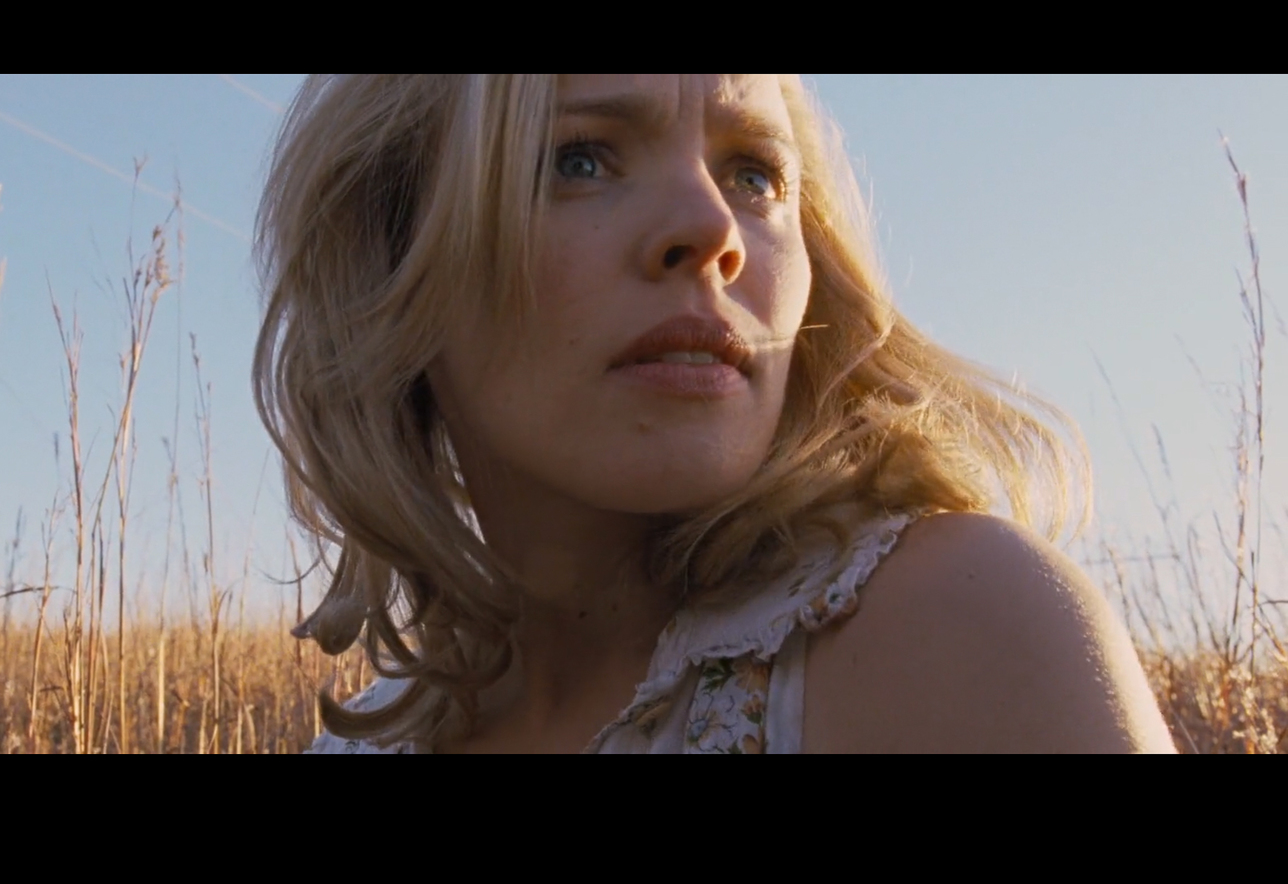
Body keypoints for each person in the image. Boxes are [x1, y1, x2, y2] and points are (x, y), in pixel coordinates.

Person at [253, 74, 1175, 753]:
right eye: (580, 159)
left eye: (756, 176)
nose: (712, 228)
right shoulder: (363, 741)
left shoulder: (964, 631)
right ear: (391, 252)